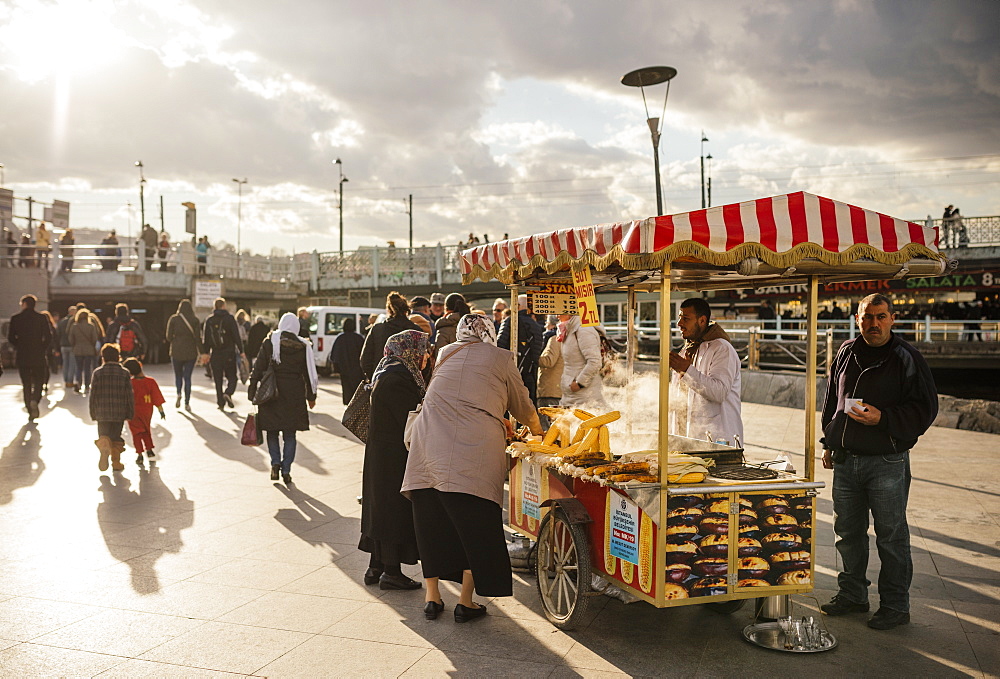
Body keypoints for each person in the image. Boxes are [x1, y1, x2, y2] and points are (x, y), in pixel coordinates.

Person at [402, 315, 542, 623]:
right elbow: (521, 403)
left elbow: (455, 397)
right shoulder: (501, 357)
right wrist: (538, 430)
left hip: (428, 447)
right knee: (475, 527)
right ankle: (465, 602)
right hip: (472, 451)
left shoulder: (445, 352)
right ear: (489, 333)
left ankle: (433, 597)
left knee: (433, 525)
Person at [820, 293, 938, 630]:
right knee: (847, 533)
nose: (874, 323)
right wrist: (830, 441)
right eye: (867, 317)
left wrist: (883, 418)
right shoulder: (846, 352)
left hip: (886, 461)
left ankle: (896, 606)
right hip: (846, 460)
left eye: (881, 317)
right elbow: (832, 398)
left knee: (891, 536)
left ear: (892, 319)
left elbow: (925, 408)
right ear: (857, 319)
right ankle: (853, 595)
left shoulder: (906, 357)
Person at [359, 329, 430, 592]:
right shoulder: (399, 378)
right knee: (390, 509)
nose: (425, 357)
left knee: (379, 507)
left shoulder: (387, 369)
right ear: (410, 350)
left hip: (381, 452)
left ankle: (376, 565)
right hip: (392, 454)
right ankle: (391, 571)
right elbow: (409, 419)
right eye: (422, 351)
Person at [248, 313, 318, 485]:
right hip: (294, 393)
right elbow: (308, 373)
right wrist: (311, 396)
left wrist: (252, 389)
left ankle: (275, 463)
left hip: (272, 393)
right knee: (290, 433)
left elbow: (258, 367)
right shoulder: (303, 346)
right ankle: (286, 469)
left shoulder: (270, 342)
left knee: (272, 431)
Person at [667, 298, 743, 445]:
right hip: (687, 438)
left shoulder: (722, 349)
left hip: (717, 439)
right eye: (680, 318)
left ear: (702, 320)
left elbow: (719, 391)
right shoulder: (687, 349)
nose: (679, 324)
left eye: (686, 319)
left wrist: (686, 370)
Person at [90, 343, 135, 472]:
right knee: (116, 437)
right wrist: (130, 412)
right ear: (118, 357)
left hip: (101, 412)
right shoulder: (124, 373)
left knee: (104, 436)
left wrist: (93, 412)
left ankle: (104, 450)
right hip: (119, 412)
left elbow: (93, 394)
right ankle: (116, 463)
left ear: (103, 357)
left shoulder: (98, 373)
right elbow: (129, 395)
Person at [9, 294, 53, 421]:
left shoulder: (16, 318)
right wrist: (42, 348)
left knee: (26, 383)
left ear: (24, 304)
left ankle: (29, 408)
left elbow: (11, 337)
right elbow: (48, 336)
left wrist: (19, 346)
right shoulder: (41, 318)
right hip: (38, 355)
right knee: (40, 380)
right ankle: (35, 399)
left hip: (23, 355)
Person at [360, 292, 421, 380]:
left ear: (389, 310)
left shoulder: (377, 329)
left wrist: (374, 377)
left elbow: (365, 359)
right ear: (406, 310)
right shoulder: (416, 330)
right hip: (410, 383)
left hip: (381, 382)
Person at [497, 294, 544, 405]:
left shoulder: (510, 321)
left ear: (517, 306)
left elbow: (499, 347)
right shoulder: (536, 326)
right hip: (530, 375)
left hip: (511, 375)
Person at [201, 297, 245, 410]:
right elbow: (236, 336)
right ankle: (228, 392)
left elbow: (206, 339)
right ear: (224, 306)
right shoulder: (230, 319)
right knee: (232, 377)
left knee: (218, 379)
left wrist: (205, 352)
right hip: (229, 353)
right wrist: (241, 351)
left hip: (215, 353)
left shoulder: (209, 320)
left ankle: (220, 403)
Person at [557, 314, 606, 410]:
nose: (557, 316)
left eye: (559, 312)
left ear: (569, 312)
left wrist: (579, 383)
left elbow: (594, 361)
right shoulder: (570, 329)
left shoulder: (584, 330)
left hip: (585, 396)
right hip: (573, 395)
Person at [123, 358, 165, 466]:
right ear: (140, 365)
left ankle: (140, 454)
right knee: (146, 429)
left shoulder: (129, 383)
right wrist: (161, 411)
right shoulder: (150, 381)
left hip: (133, 411)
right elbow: (157, 397)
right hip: (146, 411)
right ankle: (149, 449)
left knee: (136, 433)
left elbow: (125, 398)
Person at [165, 299, 203, 410]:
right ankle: (187, 402)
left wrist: (176, 339)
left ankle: (178, 394)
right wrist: (203, 351)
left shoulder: (173, 319)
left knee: (178, 375)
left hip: (176, 351)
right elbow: (198, 338)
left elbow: (168, 337)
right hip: (191, 352)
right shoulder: (195, 320)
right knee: (187, 377)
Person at [331, 317, 365, 405]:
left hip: (344, 369)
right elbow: (365, 354)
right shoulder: (359, 338)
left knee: (347, 390)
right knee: (357, 392)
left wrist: (337, 368)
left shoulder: (340, 338)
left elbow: (334, 355)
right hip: (357, 370)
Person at [69, 308, 101, 395]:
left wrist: (75, 345)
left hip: (78, 349)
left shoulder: (74, 326)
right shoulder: (91, 326)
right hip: (89, 350)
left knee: (79, 368)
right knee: (87, 368)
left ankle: (78, 384)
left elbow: (71, 339)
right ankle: (87, 386)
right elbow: (94, 339)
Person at [56, 305, 78, 391]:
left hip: (63, 345)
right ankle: (70, 381)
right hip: (72, 345)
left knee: (65, 363)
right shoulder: (74, 322)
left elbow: (58, 334)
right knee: (72, 364)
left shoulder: (61, 322)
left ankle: (65, 380)